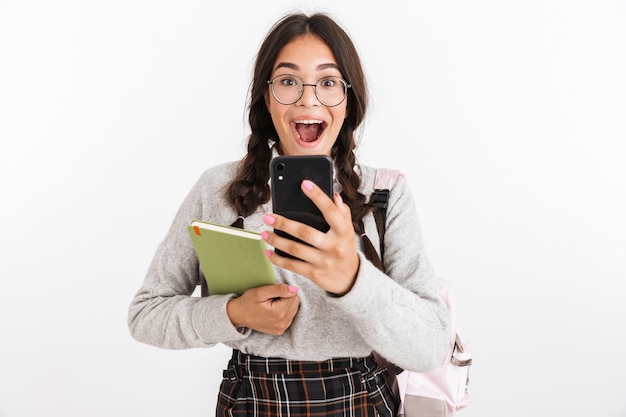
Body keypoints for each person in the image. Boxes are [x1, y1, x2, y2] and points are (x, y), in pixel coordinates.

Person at [128, 11, 449, 417]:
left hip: (363, 399)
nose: (307, 99)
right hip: (252, 399)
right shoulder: (217, 189)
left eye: (328, 82)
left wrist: (351, 279)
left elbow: (430, 346)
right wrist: (231, 314)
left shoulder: (385, 193)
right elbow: (146, 314)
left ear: (348, 101)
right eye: (288, 81)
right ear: (267, 96)